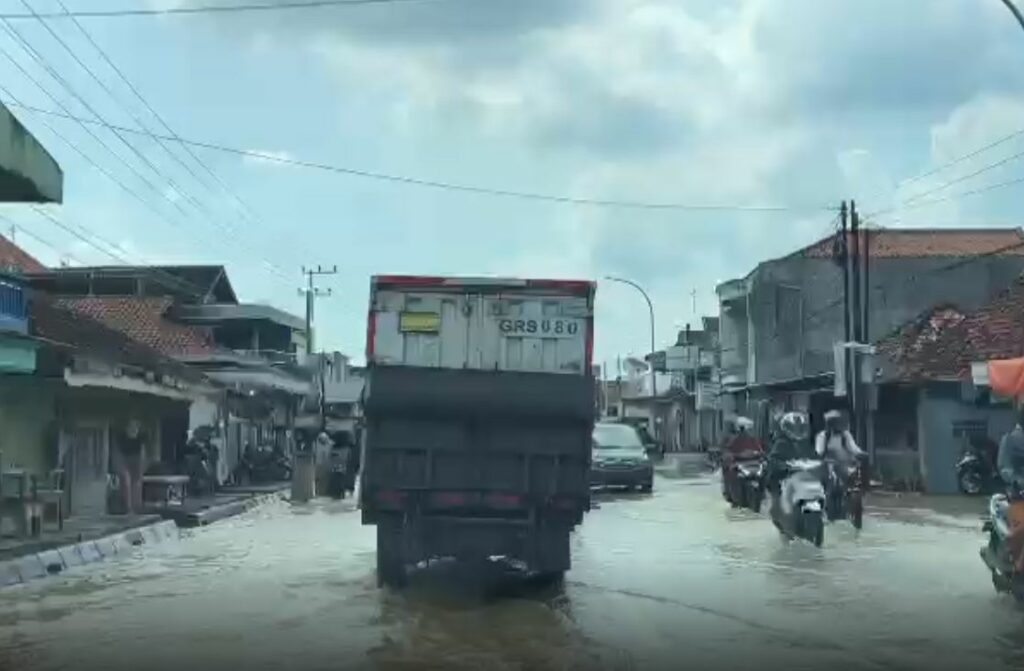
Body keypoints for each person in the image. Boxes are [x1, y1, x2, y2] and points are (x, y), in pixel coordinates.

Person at [997, 409, 1024, 573]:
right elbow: (1004, 467)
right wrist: (1018, 480)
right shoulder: (1011, 440)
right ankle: (1018, 567)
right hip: (1019, 496)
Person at [815, 410, 865, 493]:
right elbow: (819, 451)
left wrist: (860, 453)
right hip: (828, 466)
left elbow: (853, 448)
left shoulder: (845, 435)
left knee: (854, 479)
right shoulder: (823, 436)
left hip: (844, 465)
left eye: (838, 422)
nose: (837, 425)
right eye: (834, 423)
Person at [766, 411, 813, 496]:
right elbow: (773, 460)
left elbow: (810, 456)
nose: (798, 430)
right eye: (795, 428)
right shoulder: (781, 443)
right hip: (780, 479)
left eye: (800, 428)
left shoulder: (803, 444)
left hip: (798, 479)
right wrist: (787, 466)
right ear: (787, 428)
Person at [720, 417, 763, 502]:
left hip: (753, 464)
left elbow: (760, 451)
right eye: (743, 428)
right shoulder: (731, 440)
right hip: (738, 464)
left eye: (748, 429)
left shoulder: (753, 439)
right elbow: (726, 453)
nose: (746, 431)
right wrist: (736, 455)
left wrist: (758, 454)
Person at [117, 419, 146, 514]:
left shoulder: (140, 438)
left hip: (136, 460)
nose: (133, 429)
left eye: (135, 427)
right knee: (126, 481)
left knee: (137, 483)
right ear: (127, 428)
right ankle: (128, 508)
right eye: (131, 427)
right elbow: (118, 454)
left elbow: (142, 454)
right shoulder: (121, 438)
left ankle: (136, 507)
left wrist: (141, 469)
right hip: (124, 459)